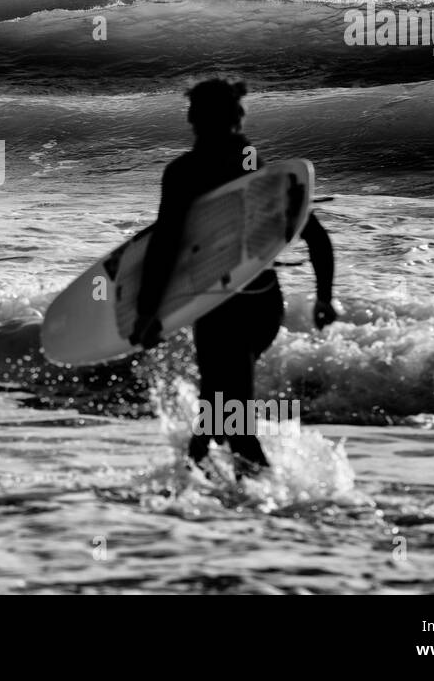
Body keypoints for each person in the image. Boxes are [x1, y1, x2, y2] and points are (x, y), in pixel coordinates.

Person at [130, 79, 337, 473]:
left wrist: (147, 311)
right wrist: (324, 297)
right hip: (263, 307)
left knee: (232, 419)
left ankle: (270, 499)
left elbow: (165, 247)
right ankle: (211, 485)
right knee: (218, 408)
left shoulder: (185, 173)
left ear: (192, 119)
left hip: (220, 309)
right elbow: (317, 237)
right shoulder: (257, 170)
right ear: (238, 118)